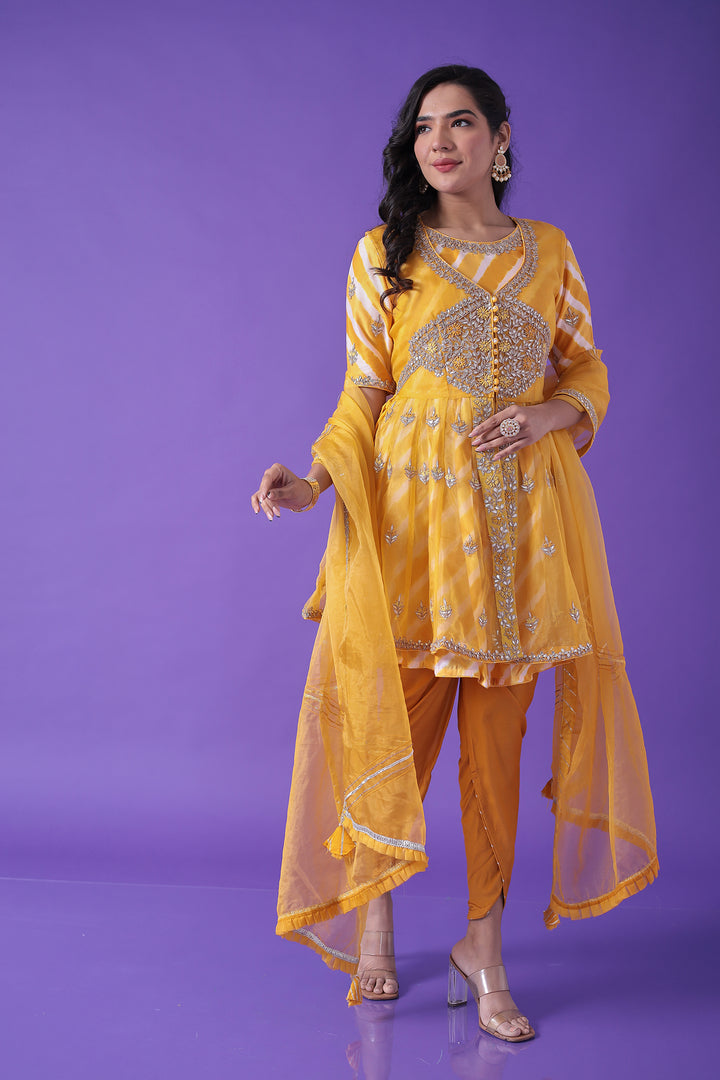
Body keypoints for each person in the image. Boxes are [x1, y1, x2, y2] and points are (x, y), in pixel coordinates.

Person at [251, 64, 658, 1043]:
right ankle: (377, 911)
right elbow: (365, 391)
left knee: (496, 750)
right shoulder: (383, 253)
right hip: (412, 531)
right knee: (389, 727)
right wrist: (314, 481)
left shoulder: (549, 251)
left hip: (520, 535)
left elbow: (585, 366)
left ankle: (485, 948)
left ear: (499, 138)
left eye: (462, 122)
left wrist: (551, 414)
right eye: (425, 126)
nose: (440, 141)